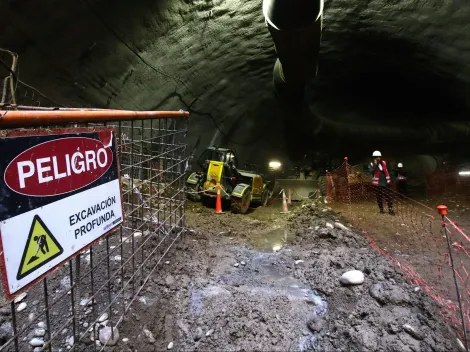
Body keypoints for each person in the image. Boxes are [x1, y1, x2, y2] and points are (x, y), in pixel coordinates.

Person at [369, 151, 394, 215]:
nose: (377, 158)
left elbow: (389, 171)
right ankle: (381, 209)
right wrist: (375, 164)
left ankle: (390, 210)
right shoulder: (372, 164)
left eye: (379, 157)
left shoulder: (384, 163)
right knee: (379, 197)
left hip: (385, 183)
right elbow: (371, 171)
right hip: (377, 184)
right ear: (373, 157)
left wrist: (390, 180)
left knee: (388, 197)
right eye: (376, 157)